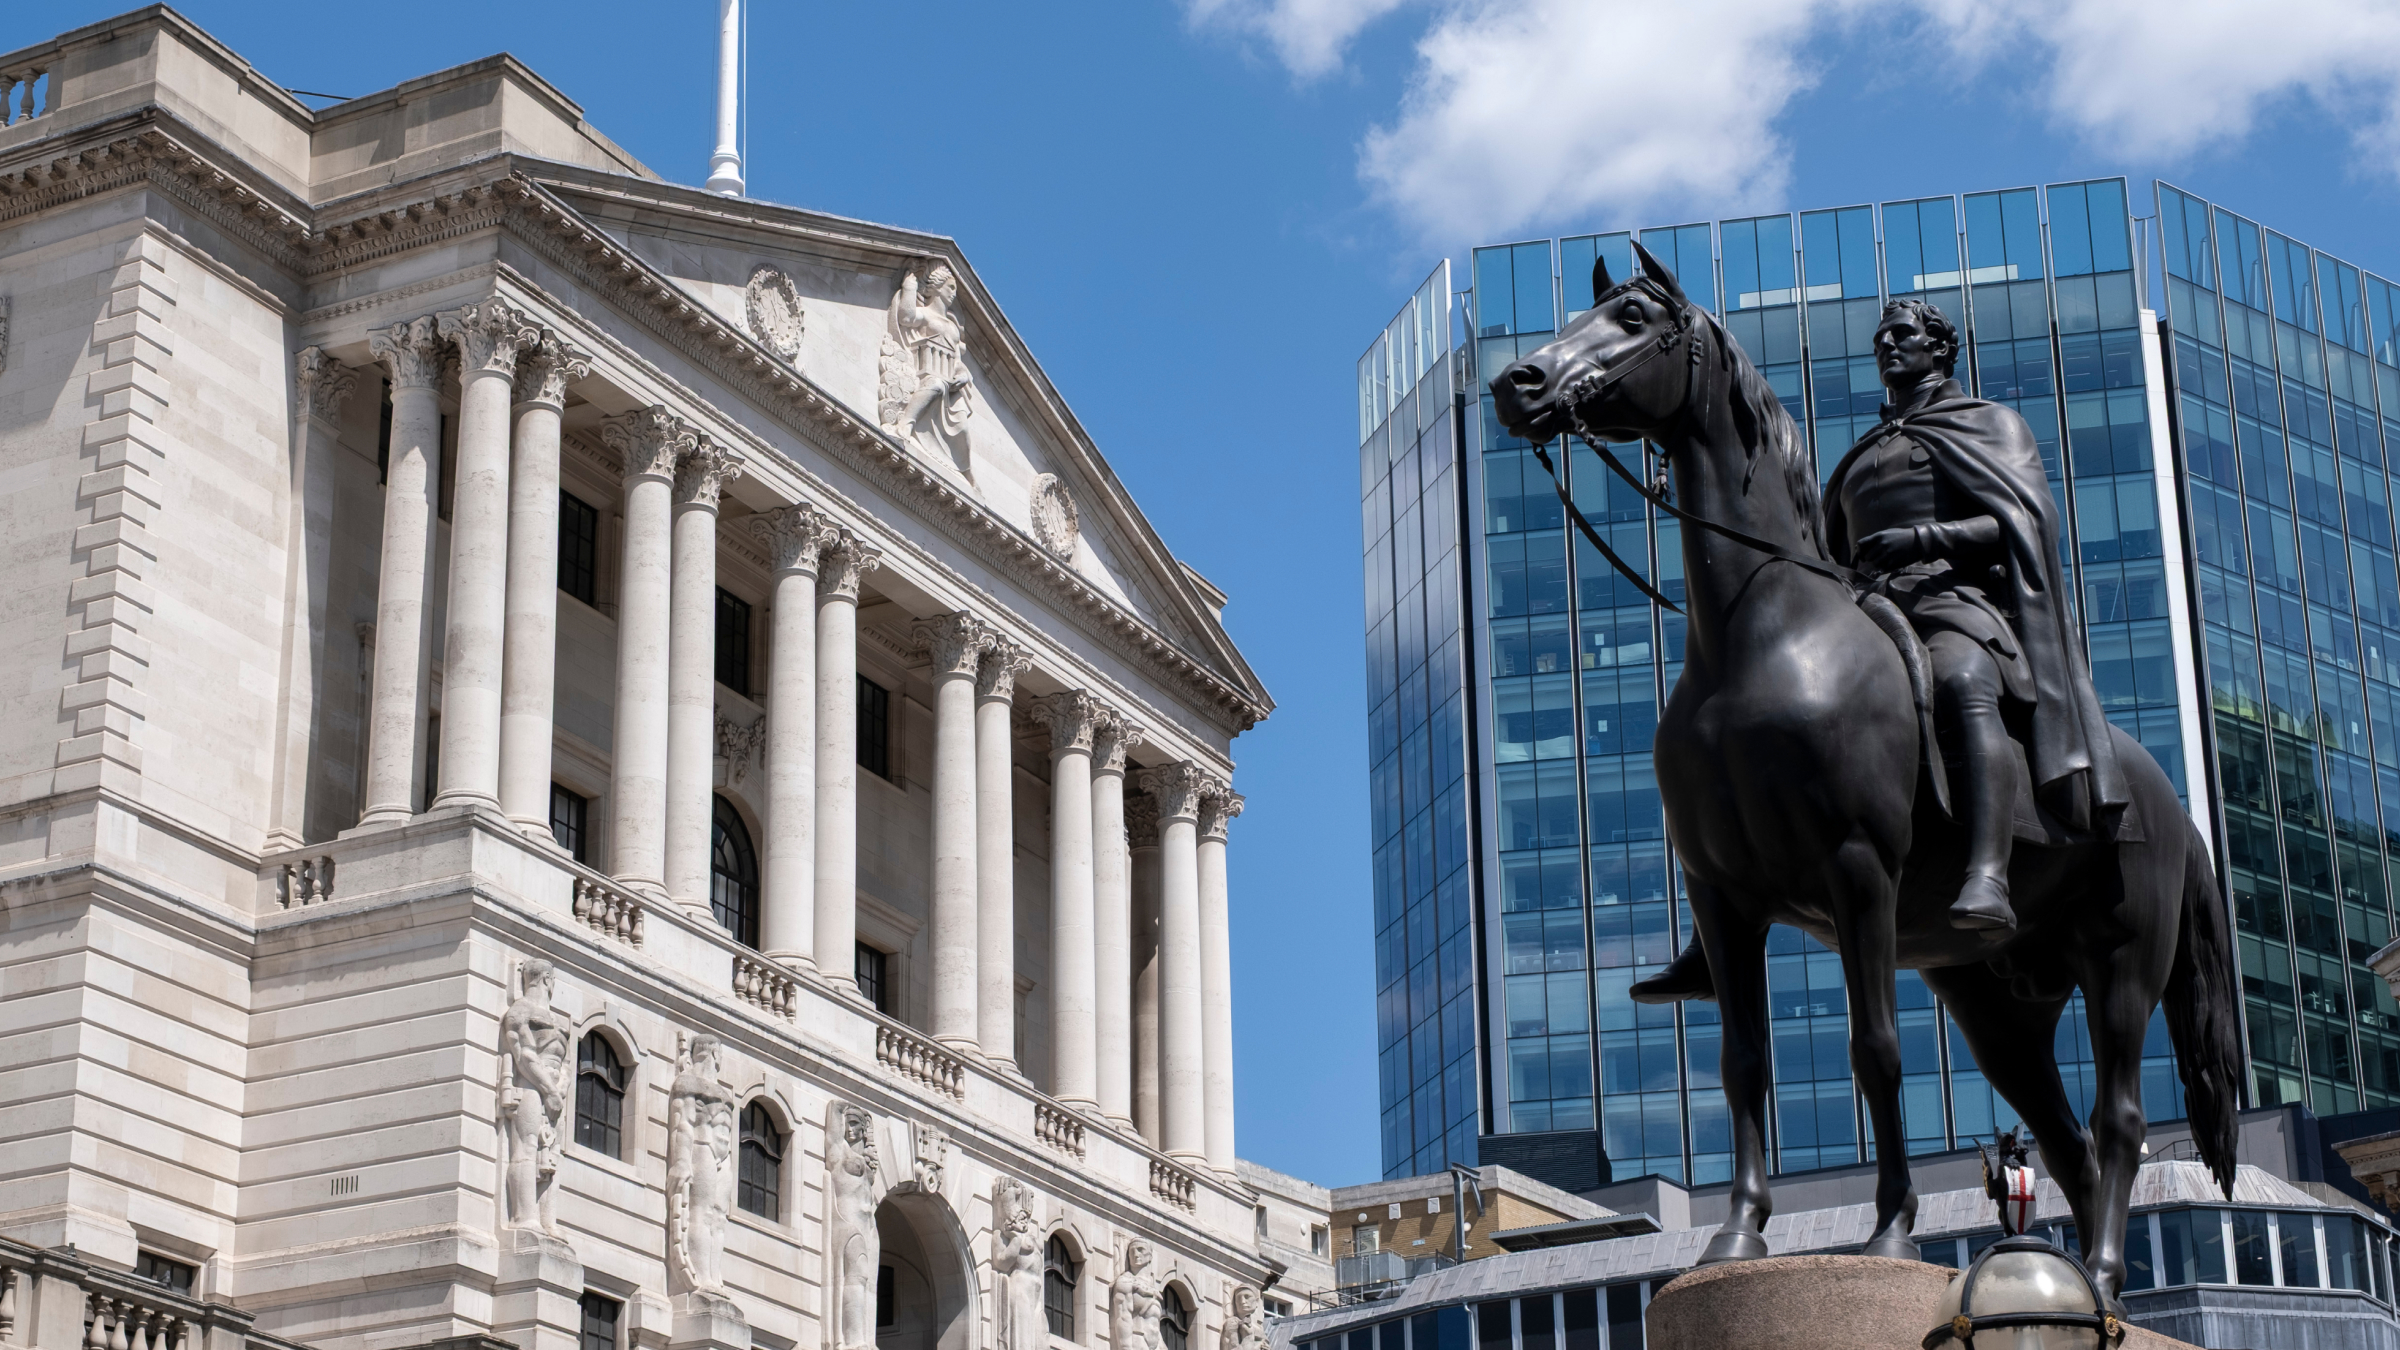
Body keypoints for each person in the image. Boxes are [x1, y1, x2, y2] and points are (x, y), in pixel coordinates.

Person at [1823, 297, 2125, 934]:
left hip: (1952, 600)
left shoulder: (1988, 423)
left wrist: (1923, 539)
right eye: (1879, 340)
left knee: (1961, 681)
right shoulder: (1863, 452)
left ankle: (1988, 873)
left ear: (1938, 347)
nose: (1886, 346)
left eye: (1900, 334)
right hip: (1863, 607)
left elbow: (2026, 523)